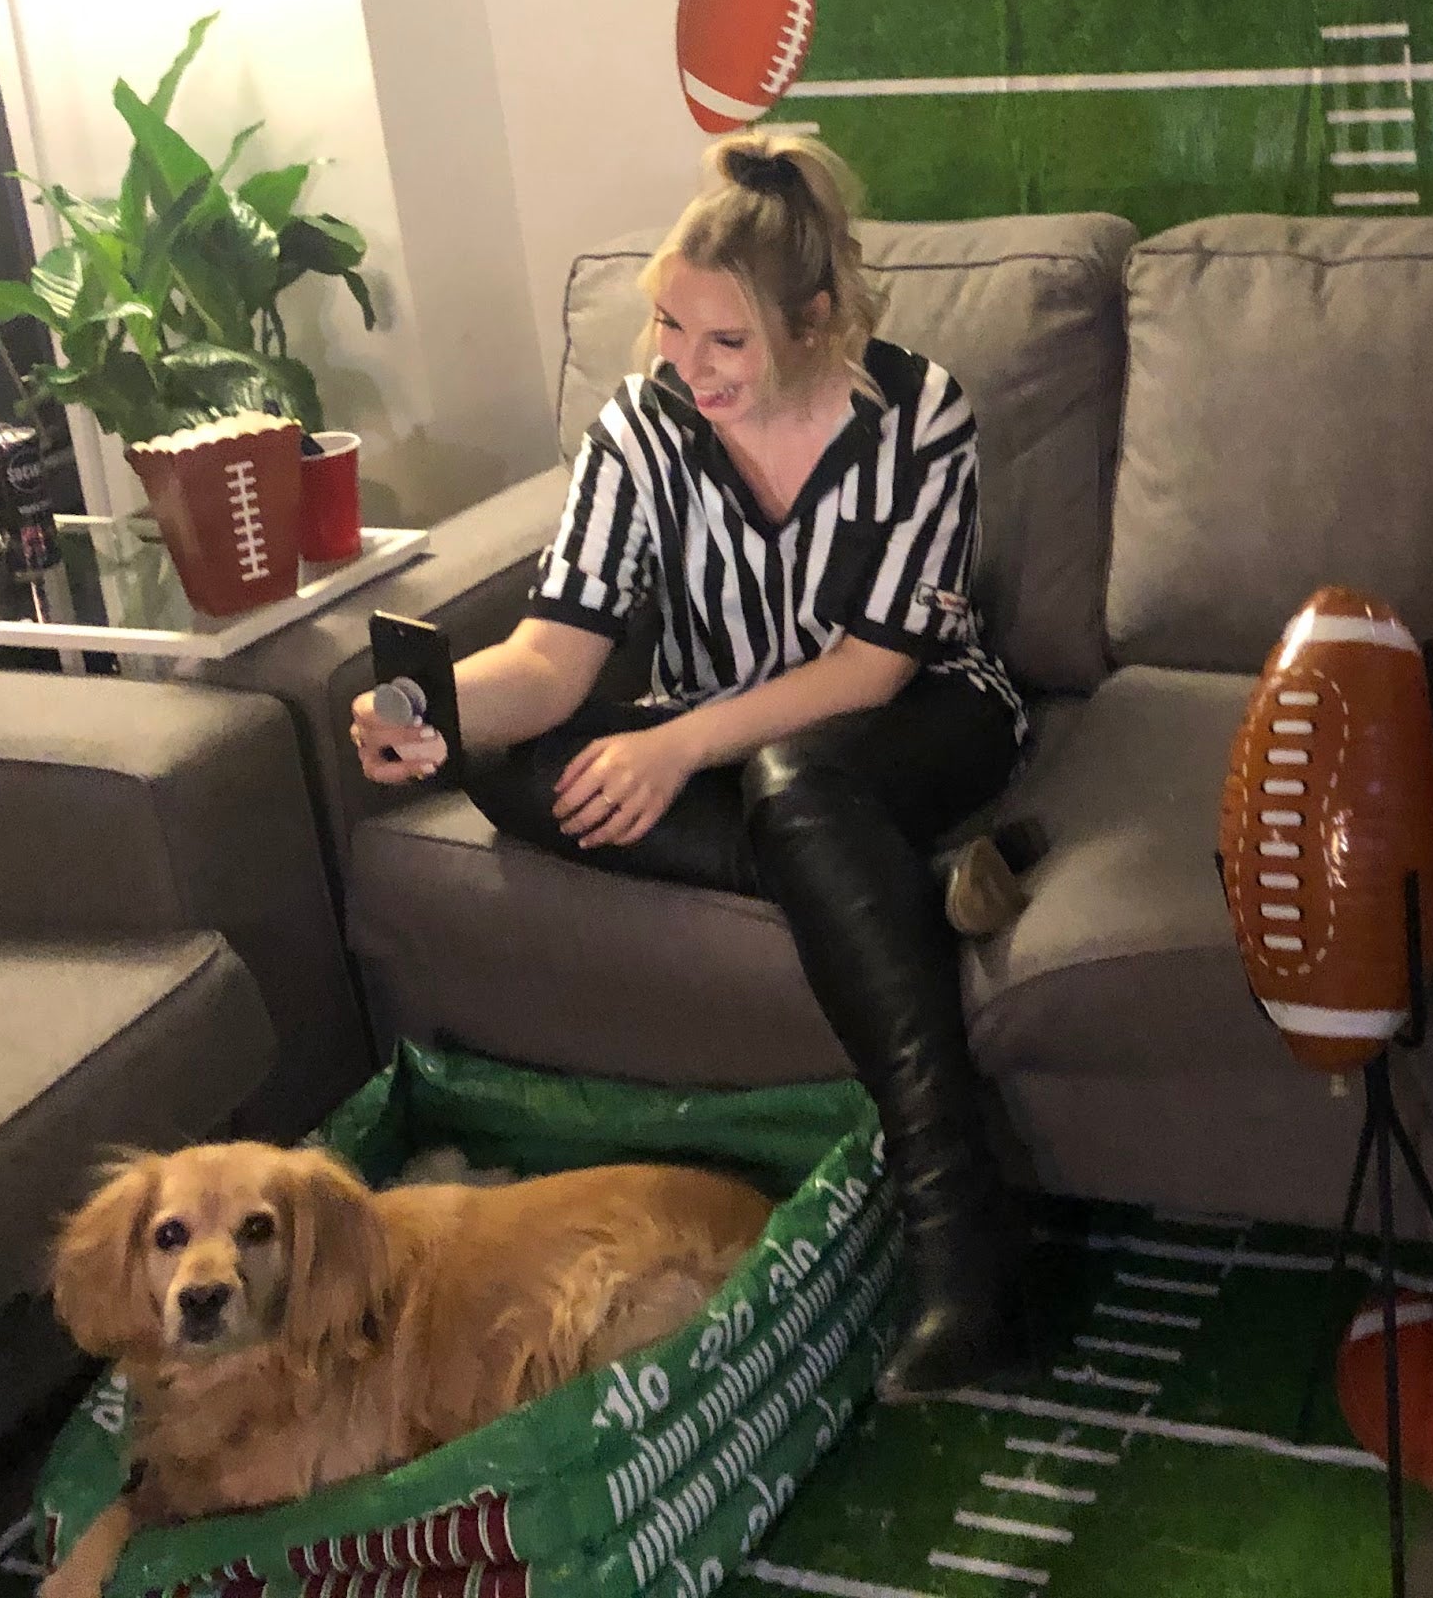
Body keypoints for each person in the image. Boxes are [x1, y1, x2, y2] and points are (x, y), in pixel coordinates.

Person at [349, 133, 1030, 1401]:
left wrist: (671, 745)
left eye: (726, 342)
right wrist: (437, 708)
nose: (687, 366)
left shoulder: (918, 413)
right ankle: (900, 879)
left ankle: (963, 1238)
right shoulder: (641, 428)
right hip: (730, 735)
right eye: (669, 326)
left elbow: (869, 672)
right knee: (510, 769)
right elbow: (552, 661)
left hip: (923, 715)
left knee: (797, 786)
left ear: (815, 322)